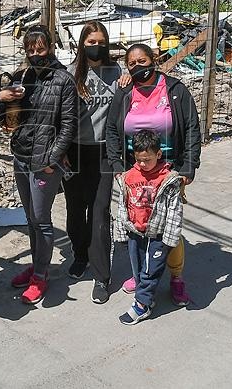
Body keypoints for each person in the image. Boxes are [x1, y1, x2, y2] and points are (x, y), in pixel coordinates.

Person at [104, 44, 201, 307]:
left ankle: (177, 278)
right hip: (134, 171)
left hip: (169, 172)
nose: (137, 67)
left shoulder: (175, 90)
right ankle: (143, 274)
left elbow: (191, 127)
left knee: (170, 228)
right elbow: (112, 130)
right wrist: (117, 166)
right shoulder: (124, 92)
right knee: (139, 223)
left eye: (142, 60)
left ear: (154, 60)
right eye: (132, 63)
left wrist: (189, 166)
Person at [0, 25, 78, 305]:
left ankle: (41, 275)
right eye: (30, 50)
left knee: (42, 220)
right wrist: (0, 98)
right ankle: (36, 264)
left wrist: (52, 160)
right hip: (21, 154)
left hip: (44, 162)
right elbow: (2, 116)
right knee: (29, 217)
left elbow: (68, 125)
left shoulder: (63, 80)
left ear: (50, 47)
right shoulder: (22, 76)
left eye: (40, 49)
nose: (35, 54)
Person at [61, 22, 128, 304]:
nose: (96, 46)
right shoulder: (70, 72)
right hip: (75, 150)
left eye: (101, 41)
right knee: (76, 209)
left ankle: (102, 275)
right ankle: (80, 254)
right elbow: (59, 113)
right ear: (82, 44)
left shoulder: (117, 73)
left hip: (103, 152)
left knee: (100, 212)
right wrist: (58, 149)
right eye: (90, 42)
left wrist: (128, 80)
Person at [114, 130, 185, 325]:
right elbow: (122, 205)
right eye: (139, 160)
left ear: (159, 154)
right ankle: (147, 296)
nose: (143, 164)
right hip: (135, 232)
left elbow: (174, 211)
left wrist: (170, 239)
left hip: (157, 235)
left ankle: (141, 305)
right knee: (138, 269)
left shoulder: (168, 179)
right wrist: (121, 231)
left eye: (148, 159)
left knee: (150, 271)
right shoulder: (128, 176)